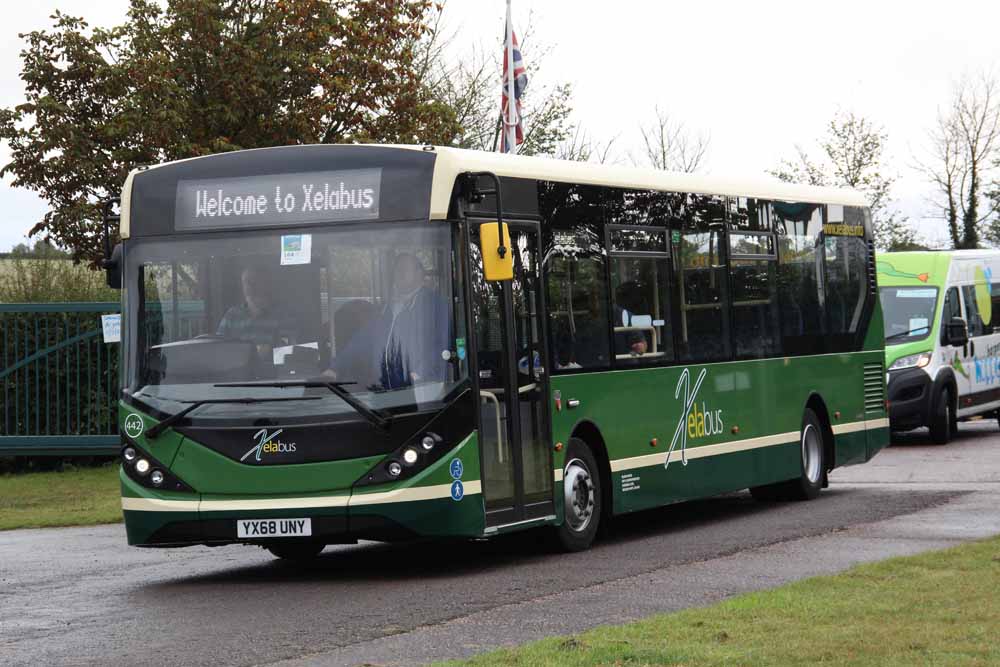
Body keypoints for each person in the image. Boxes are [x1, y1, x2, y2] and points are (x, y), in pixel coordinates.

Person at [327, 254, 449, 390]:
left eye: (404, 269)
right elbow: (362, 340)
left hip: (419, 391)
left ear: (420, 273)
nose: (399, 274)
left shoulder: (435, 305)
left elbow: (443, 345)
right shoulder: (387, 308)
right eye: (397, 270)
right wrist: (335, 368)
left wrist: (420, 373)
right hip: (384, 391)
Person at [217, 266, 301, 348]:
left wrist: (267, 350)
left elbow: (287, 349)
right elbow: (219, 347)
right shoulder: (232, 314)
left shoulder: (284, 315)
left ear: (267, 284)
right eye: (246, 282)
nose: (249, 287)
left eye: (254, 282)